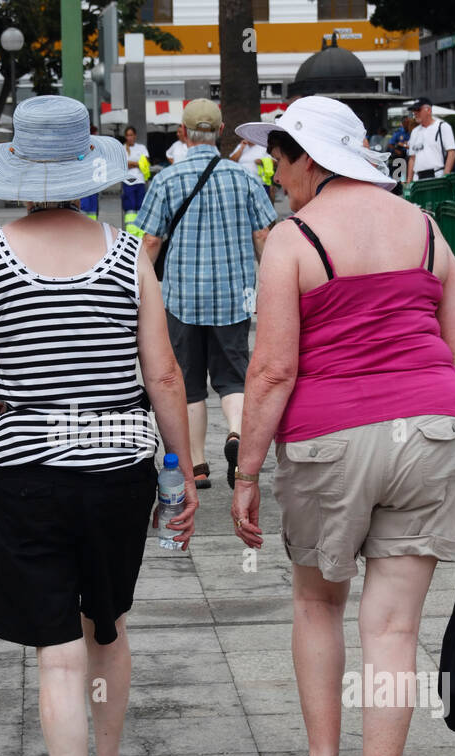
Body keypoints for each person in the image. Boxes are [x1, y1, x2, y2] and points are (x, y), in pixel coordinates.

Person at [230, 95, 455, 756]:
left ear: (311, 157)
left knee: (318, 603)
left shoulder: (293, 239)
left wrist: (247, 472)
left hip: (331, 440)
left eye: (279, 158)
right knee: (393, 626)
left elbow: (274, 370)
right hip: (436, 432)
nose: (275, 174)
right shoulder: (425, 228)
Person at [0, 95, 198, 756]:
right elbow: (161, 372)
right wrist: (181, 474)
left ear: (20, 172)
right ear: (90, 172)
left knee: (55, 649)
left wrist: (1, 405)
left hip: (27, 473)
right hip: (118, 470)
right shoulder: (128, 253)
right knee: (108, 623)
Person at [134, 99, 276, 491]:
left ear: (183, 132)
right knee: (233, 377)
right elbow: (263, 235)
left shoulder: (166, 179)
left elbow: (150, 241)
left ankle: (196, 465)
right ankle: (234, 433)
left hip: (181, 299)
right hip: (234, 297)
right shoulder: (245, 178)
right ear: (221, 130)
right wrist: (275, 284)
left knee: (188, 380)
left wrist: (135, 287)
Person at [405, 98, 455, 181]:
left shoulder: (442, 126)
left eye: (418, 109)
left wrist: (445, 176)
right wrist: (408, 181)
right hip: (417, 178)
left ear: (428, 110)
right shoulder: (415, 131)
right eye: (414, 110)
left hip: (436, 175)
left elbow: (452, 152)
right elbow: (412, 158)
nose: (415, 113)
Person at [121, 125, 150, 236]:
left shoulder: (141, 147)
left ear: (135, 136)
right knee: (130, 208)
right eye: (128, 135)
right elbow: (124, 163)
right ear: (125, 136)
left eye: (131, 135)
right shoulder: (123, 148)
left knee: (140, 207)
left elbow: (145, 162)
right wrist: (137, 163)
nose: (130, 137)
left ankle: (141, 233)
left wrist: (132, 163)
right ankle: (131, 233)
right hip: (128, 182)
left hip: (140, 181)